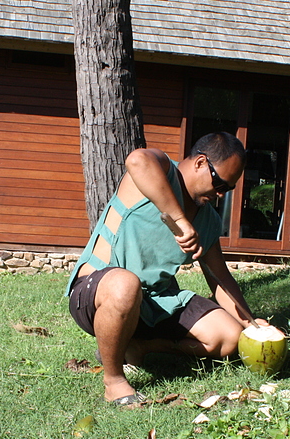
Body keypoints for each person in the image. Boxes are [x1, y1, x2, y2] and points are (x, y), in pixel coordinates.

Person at [66, 131, 270, 405]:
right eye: (219, 183)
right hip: (97, 291)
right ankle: (113, 380)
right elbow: (137, 160)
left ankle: (140, 346)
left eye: (228, 189)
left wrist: (251, 324)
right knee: (126, 284)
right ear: (200, 163)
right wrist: (179, 219)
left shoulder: (208, 219)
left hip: (155, 301)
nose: (220, 194)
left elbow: (220, 278)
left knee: (229, 337)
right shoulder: (159, 174)